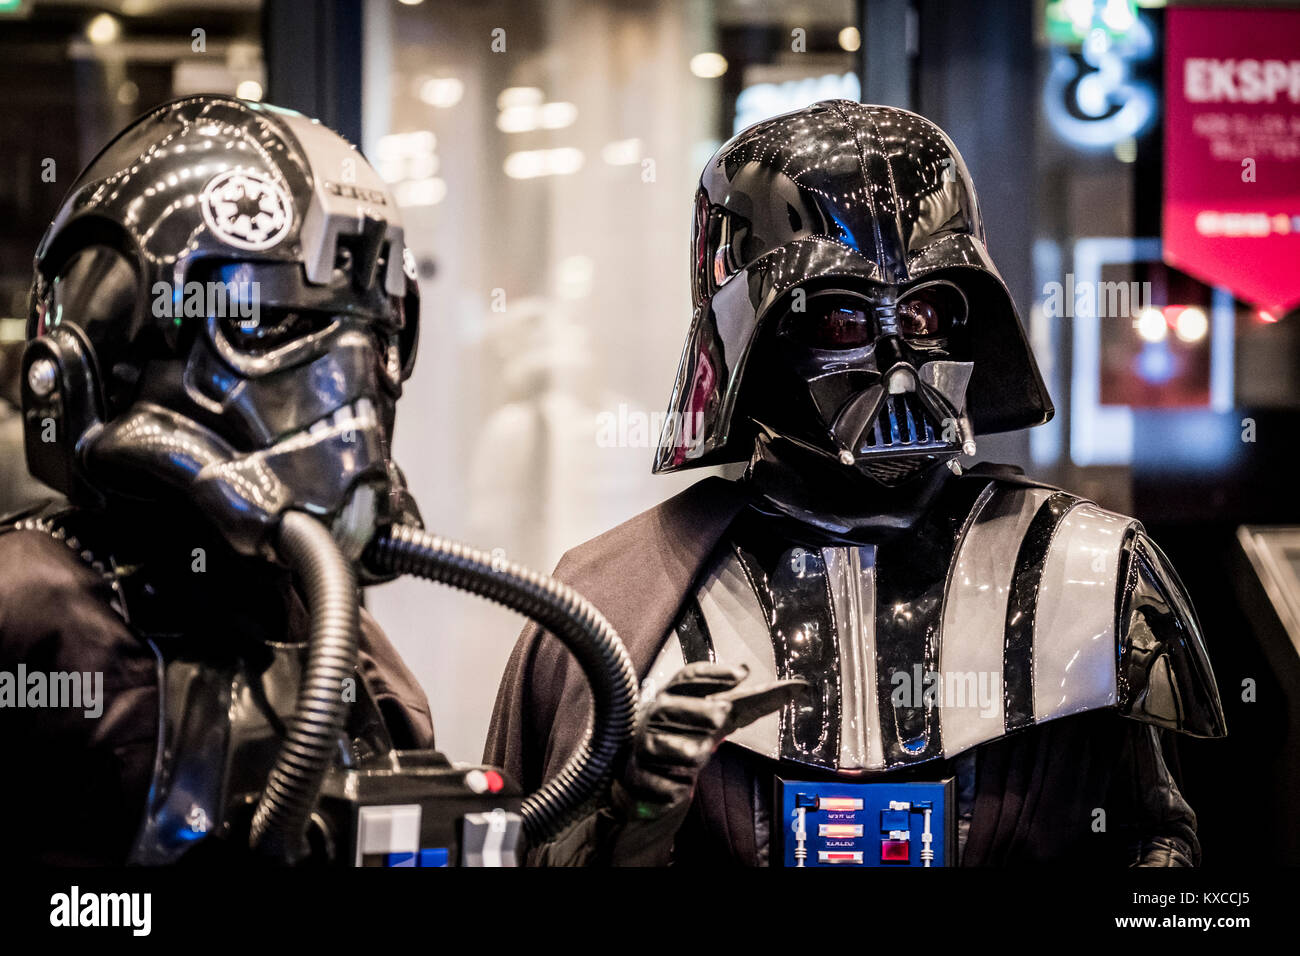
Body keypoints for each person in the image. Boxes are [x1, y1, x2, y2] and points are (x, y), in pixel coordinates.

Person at [485, 100, 1227, 867]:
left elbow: (1156, 843)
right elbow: (519, 848)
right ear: (752, 346)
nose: (898, 363)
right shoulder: (612, 604)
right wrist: (629, 819)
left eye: (926, 310)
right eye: (841, 320)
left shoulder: (1089, 570)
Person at [0, 95, 432, 864]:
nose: (345, 388)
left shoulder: (339, 634)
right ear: (95, 359)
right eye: (275, 325)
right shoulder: (28, 617)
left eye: (371, 338)